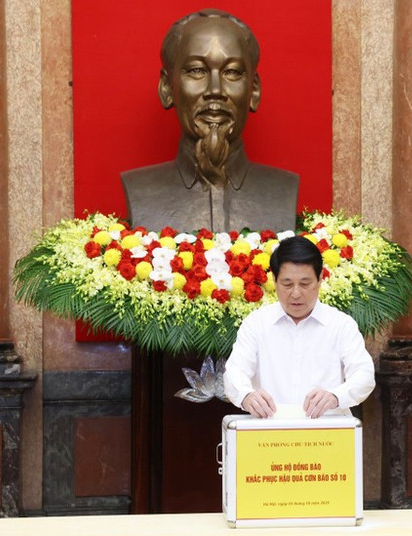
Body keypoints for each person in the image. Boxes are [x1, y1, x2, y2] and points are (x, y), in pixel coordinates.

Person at [121, 9, 299, 234]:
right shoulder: (140, 189)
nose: (215, 90)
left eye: (232, 72)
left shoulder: (284, 189)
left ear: (253, 91)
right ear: (167, 88)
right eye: (197, 70)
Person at [224, 236, 376, 419]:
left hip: (327, 434)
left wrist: (336, 396)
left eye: (305, 284)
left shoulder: (341, 325)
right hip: (269, 433)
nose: (296, 293)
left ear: (320, 279)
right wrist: (246, 395)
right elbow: (234, 371)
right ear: (274, 280)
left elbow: (364, 375)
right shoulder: (256, 323)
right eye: (287, 284)